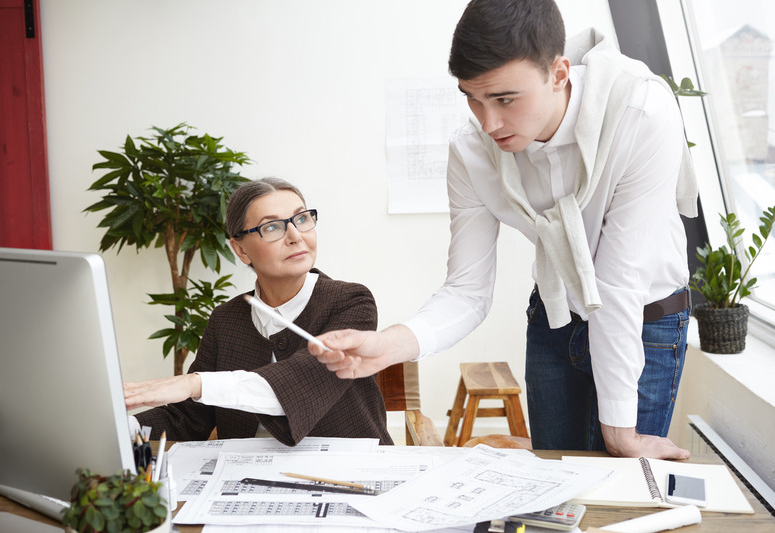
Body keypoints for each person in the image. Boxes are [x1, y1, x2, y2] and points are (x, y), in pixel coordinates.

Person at [309, 0, 698, 459]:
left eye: (505, 99)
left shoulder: (640, 111)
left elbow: (618, 283)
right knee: (553, 493)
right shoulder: (472, 151)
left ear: (558, 73)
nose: (488, 122)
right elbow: (466, 291)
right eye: (472, 97)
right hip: (554, 318)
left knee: (620, 499)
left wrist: (620, 433)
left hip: (645, 319)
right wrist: (386, 346)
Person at [124, 177, 392, 446]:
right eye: (272, 226)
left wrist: (195, 383)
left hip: (350, 473)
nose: (295, 236)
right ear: (240, 250)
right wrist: (125, 425)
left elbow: (303, 382)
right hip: (248, 479)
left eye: (301, 219)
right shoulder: (225, 320)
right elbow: (191, 416)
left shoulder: (352, 302)